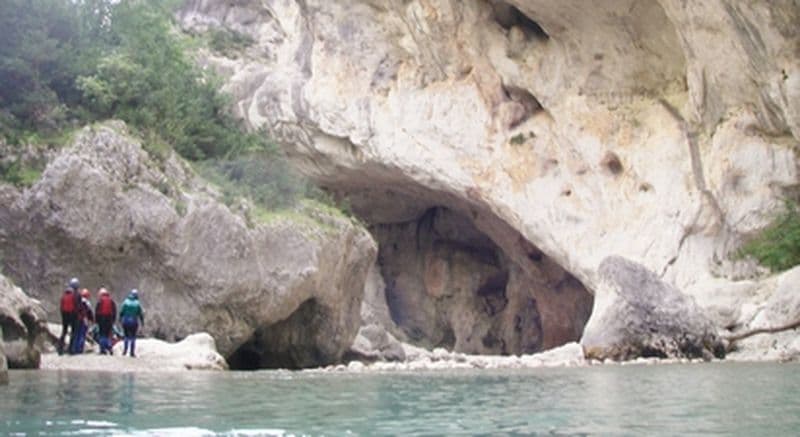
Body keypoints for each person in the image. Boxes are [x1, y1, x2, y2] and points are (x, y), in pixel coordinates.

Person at [58, 277, 81, 355]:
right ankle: (71, 349)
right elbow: (79, 306)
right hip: (73, 315)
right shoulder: (77, 295)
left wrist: (63, 315)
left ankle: (60, 349)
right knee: (73, 332)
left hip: (65, 315)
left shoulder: (65, 294)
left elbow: (61, 306)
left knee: (64, 331)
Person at [120, 289, 144, 357]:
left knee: (126, 336)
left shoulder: (125, 302)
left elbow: (121, 312)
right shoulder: (137, 303)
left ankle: (124, 351)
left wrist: (120, 319)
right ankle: (132, 352)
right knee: (133, 337)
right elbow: (140, 314)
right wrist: (142, 322)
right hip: (134, 320)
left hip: (126, 320)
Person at [94, 288, 117, 355]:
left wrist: (96, 321)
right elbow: (114, 311)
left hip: (101, 320)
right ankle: (109, 347)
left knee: (102, 334)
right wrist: (113, 320)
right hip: (109, 319)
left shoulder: (100, 301)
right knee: (108, 334)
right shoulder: (111, 301)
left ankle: (102, 349)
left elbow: (97, 312)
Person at [72, 288, 94, 354]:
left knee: (76, 334)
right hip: (84, 320)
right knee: (82, 334)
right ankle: (80, 349)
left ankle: (74, 348)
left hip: (76, 319)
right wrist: (92, 320)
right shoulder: (87, 303)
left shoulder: (77, 301)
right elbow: (90, 312)